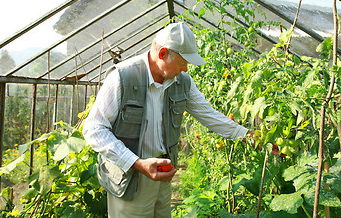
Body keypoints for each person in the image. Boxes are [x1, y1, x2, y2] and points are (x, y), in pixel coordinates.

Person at [82, 22, 255, 218]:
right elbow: (94, 128)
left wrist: (250, 137)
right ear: (163, 54)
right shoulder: (123, 77)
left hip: (162, 176)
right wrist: (137, 163)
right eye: (182, 63)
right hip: (129, 178)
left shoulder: (181, 82)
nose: (186, 69)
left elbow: (209, 114)